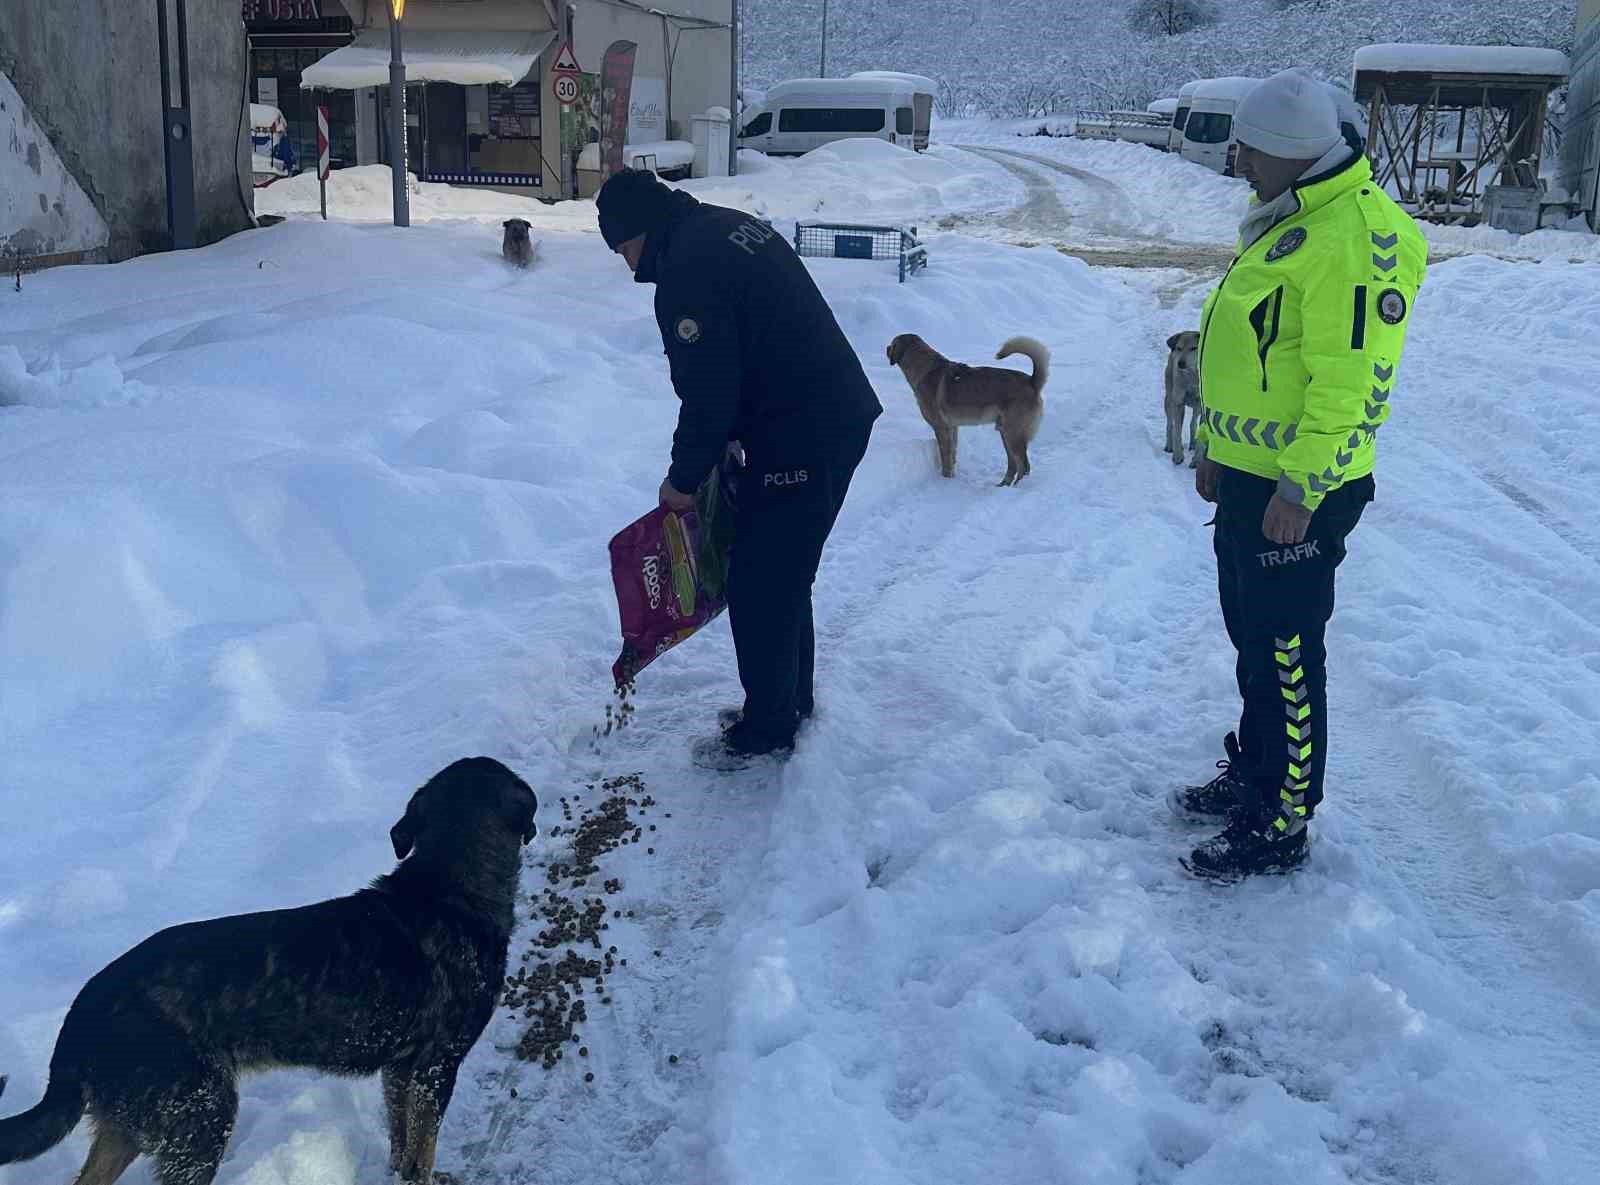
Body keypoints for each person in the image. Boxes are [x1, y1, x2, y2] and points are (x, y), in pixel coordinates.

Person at [1174, 69, 1427, 878]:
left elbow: (1351, 383)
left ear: (1292, 151)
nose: (1238, 159)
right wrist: (1214, 441)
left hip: (1298, 491)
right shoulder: (1295, 219)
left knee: (1286, 654)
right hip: (1252, 476)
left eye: (1249, 148)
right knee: (1253, 638)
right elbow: (1253, 355)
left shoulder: (1357, 237)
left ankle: (1282, 819)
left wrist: (1300, 488)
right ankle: (1255, 771)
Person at [596, 168, 882, 770]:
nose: (626, 264)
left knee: (760, 580)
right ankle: (789, 703)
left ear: (640, 231)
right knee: (780, 569)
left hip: (804, 430)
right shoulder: (723, 228)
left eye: (622, 248)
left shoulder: (687, 275)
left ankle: (769, 729)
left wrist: (683, 480)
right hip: (826, 414)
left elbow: (708, 394)